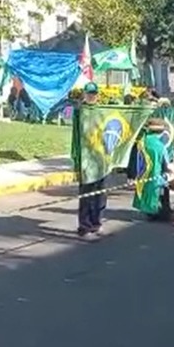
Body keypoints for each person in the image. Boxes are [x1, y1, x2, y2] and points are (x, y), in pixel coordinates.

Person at [71, 82, 106, 239]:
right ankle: (84, 227)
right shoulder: (80, 111)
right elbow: (76, 136)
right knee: (86, 195)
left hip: (101, 158)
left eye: (94, 93)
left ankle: (96, 223)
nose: (92, 96)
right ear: (85, 94)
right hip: (86, 159)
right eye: (89, 93)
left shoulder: (102, 110)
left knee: (100, 194)